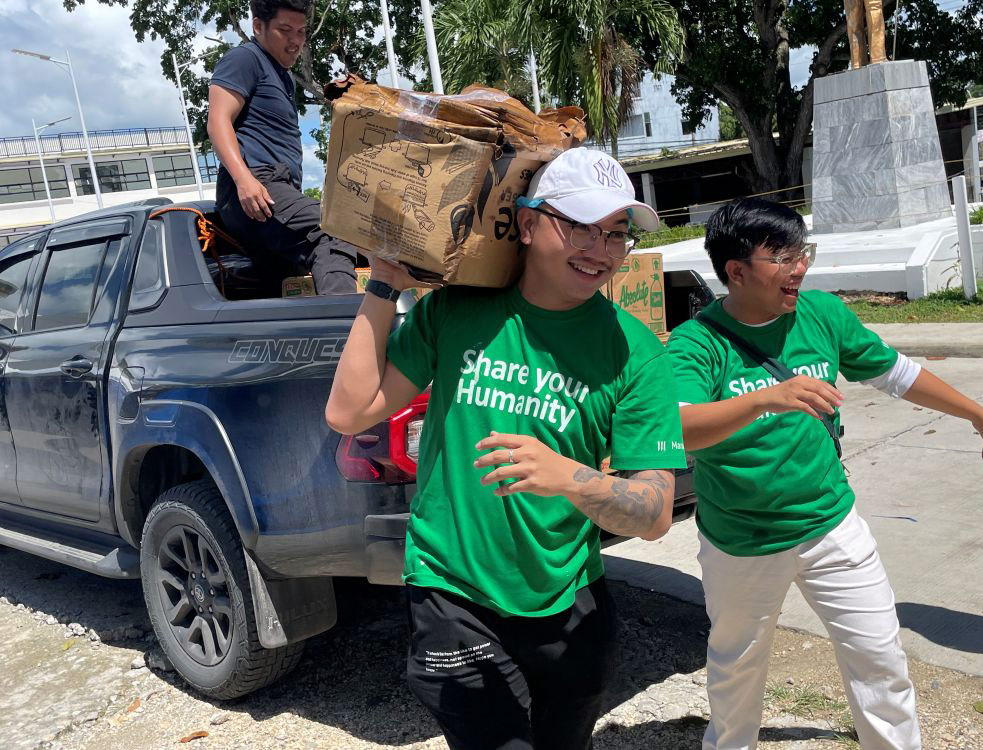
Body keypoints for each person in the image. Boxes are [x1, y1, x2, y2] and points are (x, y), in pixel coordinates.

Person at [325, 147, 688, 749]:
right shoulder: (457, 311)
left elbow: (653, 513)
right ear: (525, 223)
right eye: (580, 226)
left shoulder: (636, 354)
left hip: (569, 600)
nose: (600, 250)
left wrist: (568, 477)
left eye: (616, 234)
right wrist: (384, 284)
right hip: (452, 591)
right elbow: (348, 410)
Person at [664, 197, 983, 750]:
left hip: (832, 525)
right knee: (736, 671)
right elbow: (681, 427)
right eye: (782, 256)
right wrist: (766, 399)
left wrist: (979, 415)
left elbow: (899, 374)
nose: (799, 268)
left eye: (802, 252)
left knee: (880, 660)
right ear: (736, 271)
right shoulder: (697, 343)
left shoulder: (822, 314)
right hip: (742, 543)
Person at [207, 0, 358, 294]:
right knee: (333, 228)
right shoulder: (245, 59)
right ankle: (347, 329)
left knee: (290, 272)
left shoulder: (283, 76)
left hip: (274, 189)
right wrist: (244, 179)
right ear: (257, 26)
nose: (296, 41)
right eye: (285, 30)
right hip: (255, 185)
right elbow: (217, 121)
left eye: (302, 32)